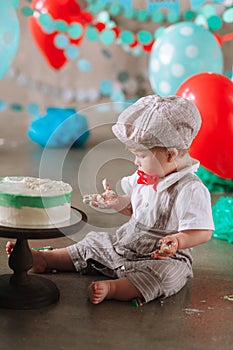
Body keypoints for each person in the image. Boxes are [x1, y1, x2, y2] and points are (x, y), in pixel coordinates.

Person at [6, 95, 214, 305]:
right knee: (94, 243)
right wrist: (117, 202)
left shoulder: (190, 189)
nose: (135, 161)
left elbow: (202, 231)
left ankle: (115, 288)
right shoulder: (143, 176)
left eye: (140, 156)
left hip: (164, 257)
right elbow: (135, 208)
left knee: (166, 276)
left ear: (170, 154)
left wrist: (178, 241)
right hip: (128, 242)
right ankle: (47, 259)